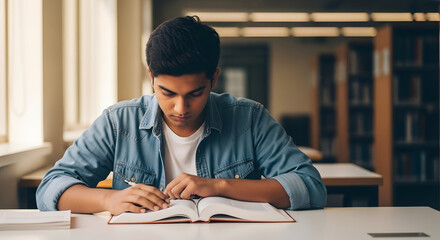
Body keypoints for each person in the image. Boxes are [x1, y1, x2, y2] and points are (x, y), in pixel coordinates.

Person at [36, 16, 326, 215]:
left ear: (214, 79)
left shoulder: (249, 119)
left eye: (195, 94)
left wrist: (219, 186)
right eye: (167, 93)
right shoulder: (118, 122)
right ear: (151, 77)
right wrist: (109, 199)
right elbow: (51, 188)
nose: (180, 108)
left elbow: (310, 187)